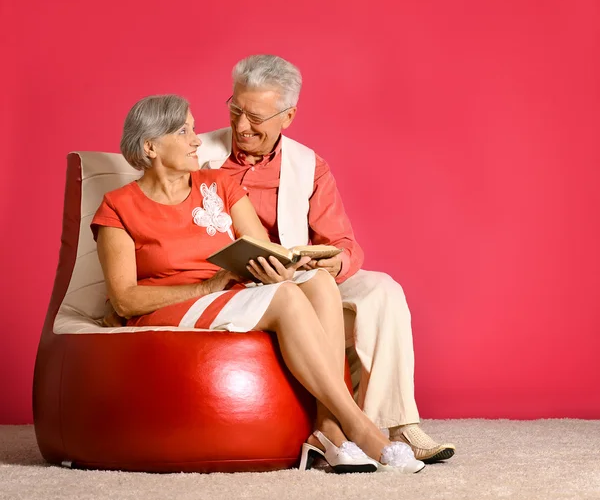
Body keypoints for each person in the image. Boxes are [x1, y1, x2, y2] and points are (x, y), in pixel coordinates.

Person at [92, 94, 425, 474]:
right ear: (150, 146)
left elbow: (259, 248)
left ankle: (326, 428)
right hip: (170, 305)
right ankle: (359, 427)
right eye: (183, 131)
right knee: (285, 299)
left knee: (316, 282)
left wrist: (276, 268)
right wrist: (207, 287)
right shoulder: (117, 206)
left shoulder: (218, 184)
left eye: (194, 129)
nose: (197, 140)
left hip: (230, 295)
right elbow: (123, 299)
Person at [197, 55, 455, 463]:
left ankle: (401, 423)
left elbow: (342, 243)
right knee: (313, 291)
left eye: (256, 117)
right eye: (235, 110)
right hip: (237, 280)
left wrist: (334, 263)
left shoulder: (309, 165)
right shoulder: (198, 154)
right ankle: (343, 428)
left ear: (288, 116)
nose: (242, 126)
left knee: (383, 289)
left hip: (301, 275)